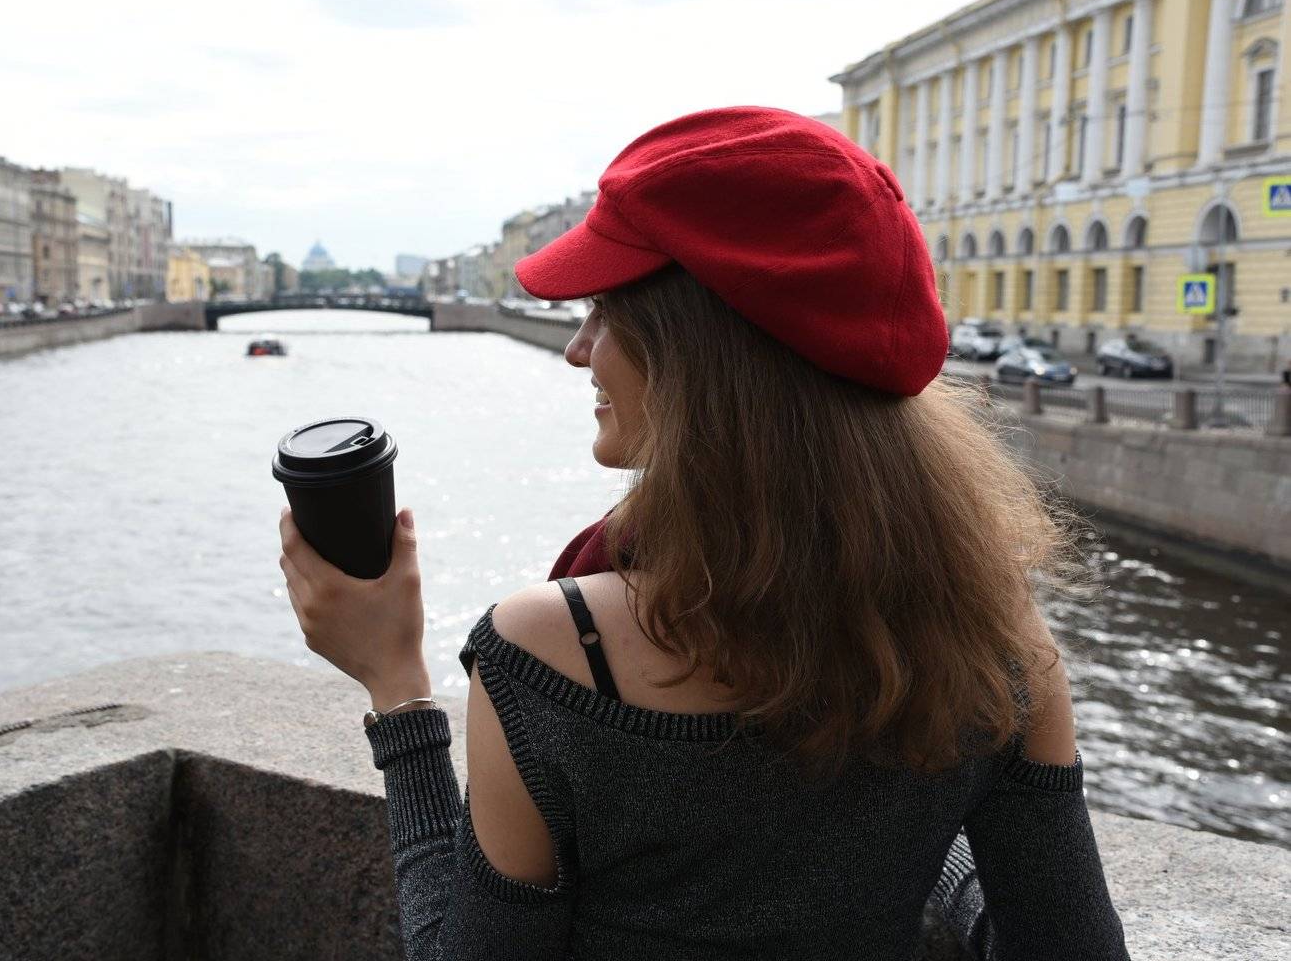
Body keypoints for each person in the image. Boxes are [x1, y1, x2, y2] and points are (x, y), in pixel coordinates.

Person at [277, 107, 1130, 960]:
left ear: (700, 354)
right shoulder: (998, 636)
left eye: (605, 312)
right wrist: (931, 849)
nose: (577, 349)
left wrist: (396, 684)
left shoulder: (551, 653)